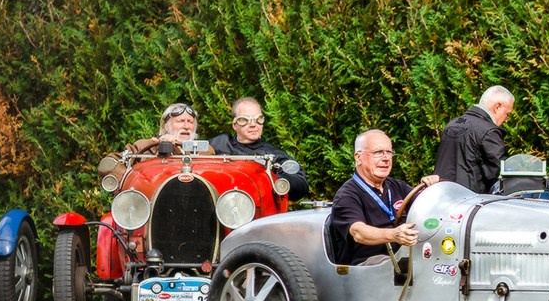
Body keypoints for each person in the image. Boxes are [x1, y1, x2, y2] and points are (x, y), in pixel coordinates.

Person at [330, 129, 439, 266]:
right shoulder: (347, 195)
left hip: (403, 257)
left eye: (389, 152)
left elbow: (428, 208)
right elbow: (358, 232)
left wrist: (432, 188)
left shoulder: (397, 186)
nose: (386, 158)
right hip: (369, 265)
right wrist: (394, 235)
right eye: (378, 153)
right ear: (358, 158)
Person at [210, 96, 309, 201]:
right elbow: (195, 151)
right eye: (244, 120)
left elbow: (301, 183)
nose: (253, 125)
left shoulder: (273, 154)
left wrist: (272, 180)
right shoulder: (220, 143)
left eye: (258, 119)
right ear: (235, 125)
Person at [433, 86, 515, 194]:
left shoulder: (451, 125)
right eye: (507, 114)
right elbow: (501, 170)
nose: (506, 120)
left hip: (441, 194)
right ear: (498, 107)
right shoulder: (488, 131)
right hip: (467, 201)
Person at [126, 102, 202, 154]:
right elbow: (116, 162)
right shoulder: (147, 147)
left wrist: (177, 145)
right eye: (180, 121)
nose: (186, 126)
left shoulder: (204, 150)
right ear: (167, 127)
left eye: (190, 122)